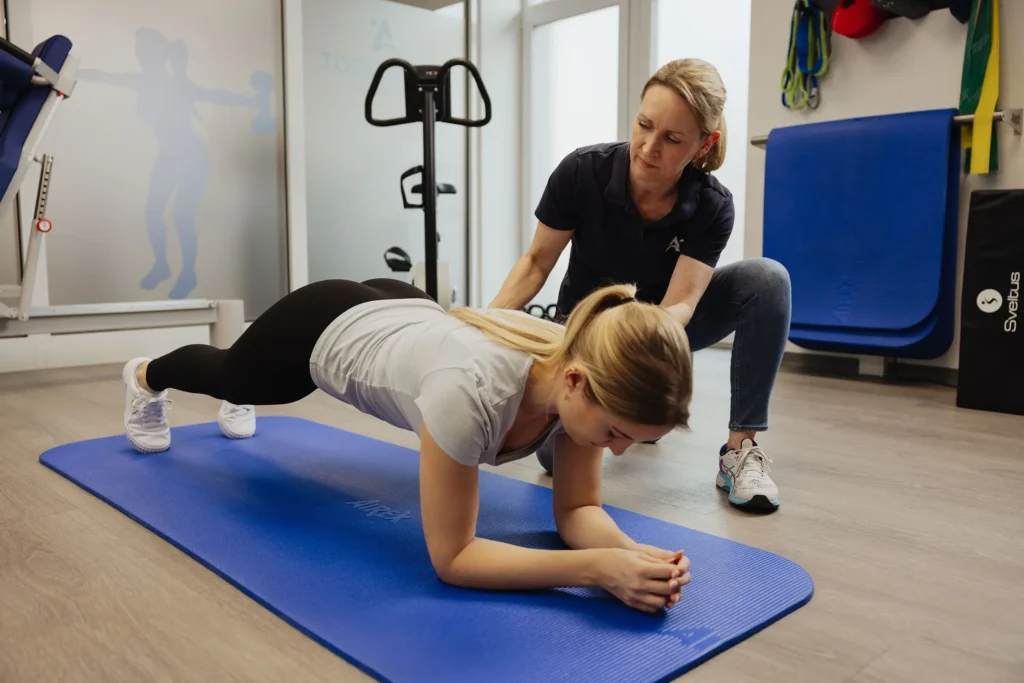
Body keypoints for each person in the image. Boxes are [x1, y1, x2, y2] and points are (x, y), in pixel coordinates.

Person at [121, 277, 694, 614]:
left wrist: (630, 552)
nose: (616, 451)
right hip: (321, 328)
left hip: (408, 310)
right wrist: (597, 571)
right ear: (574, 383)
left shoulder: (583, 365)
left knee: (244, 381)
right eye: (616, 434)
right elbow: (456, 558)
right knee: (232, 374)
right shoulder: (470, 393)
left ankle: (234, 390)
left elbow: (577, 509)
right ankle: (145, 374)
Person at [489, 58, 792, 513]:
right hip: (583, 336)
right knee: (554, 457)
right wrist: (481, 329)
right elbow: (535, 264)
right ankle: (629, 409)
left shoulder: (712, 205)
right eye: (644, 125)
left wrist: (639, 369)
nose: (648, 148)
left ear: (702, 144)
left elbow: (682, 305)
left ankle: (739, 450)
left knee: (767, 279)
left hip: (659, 332)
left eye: (672, 139)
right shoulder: (582, 172)